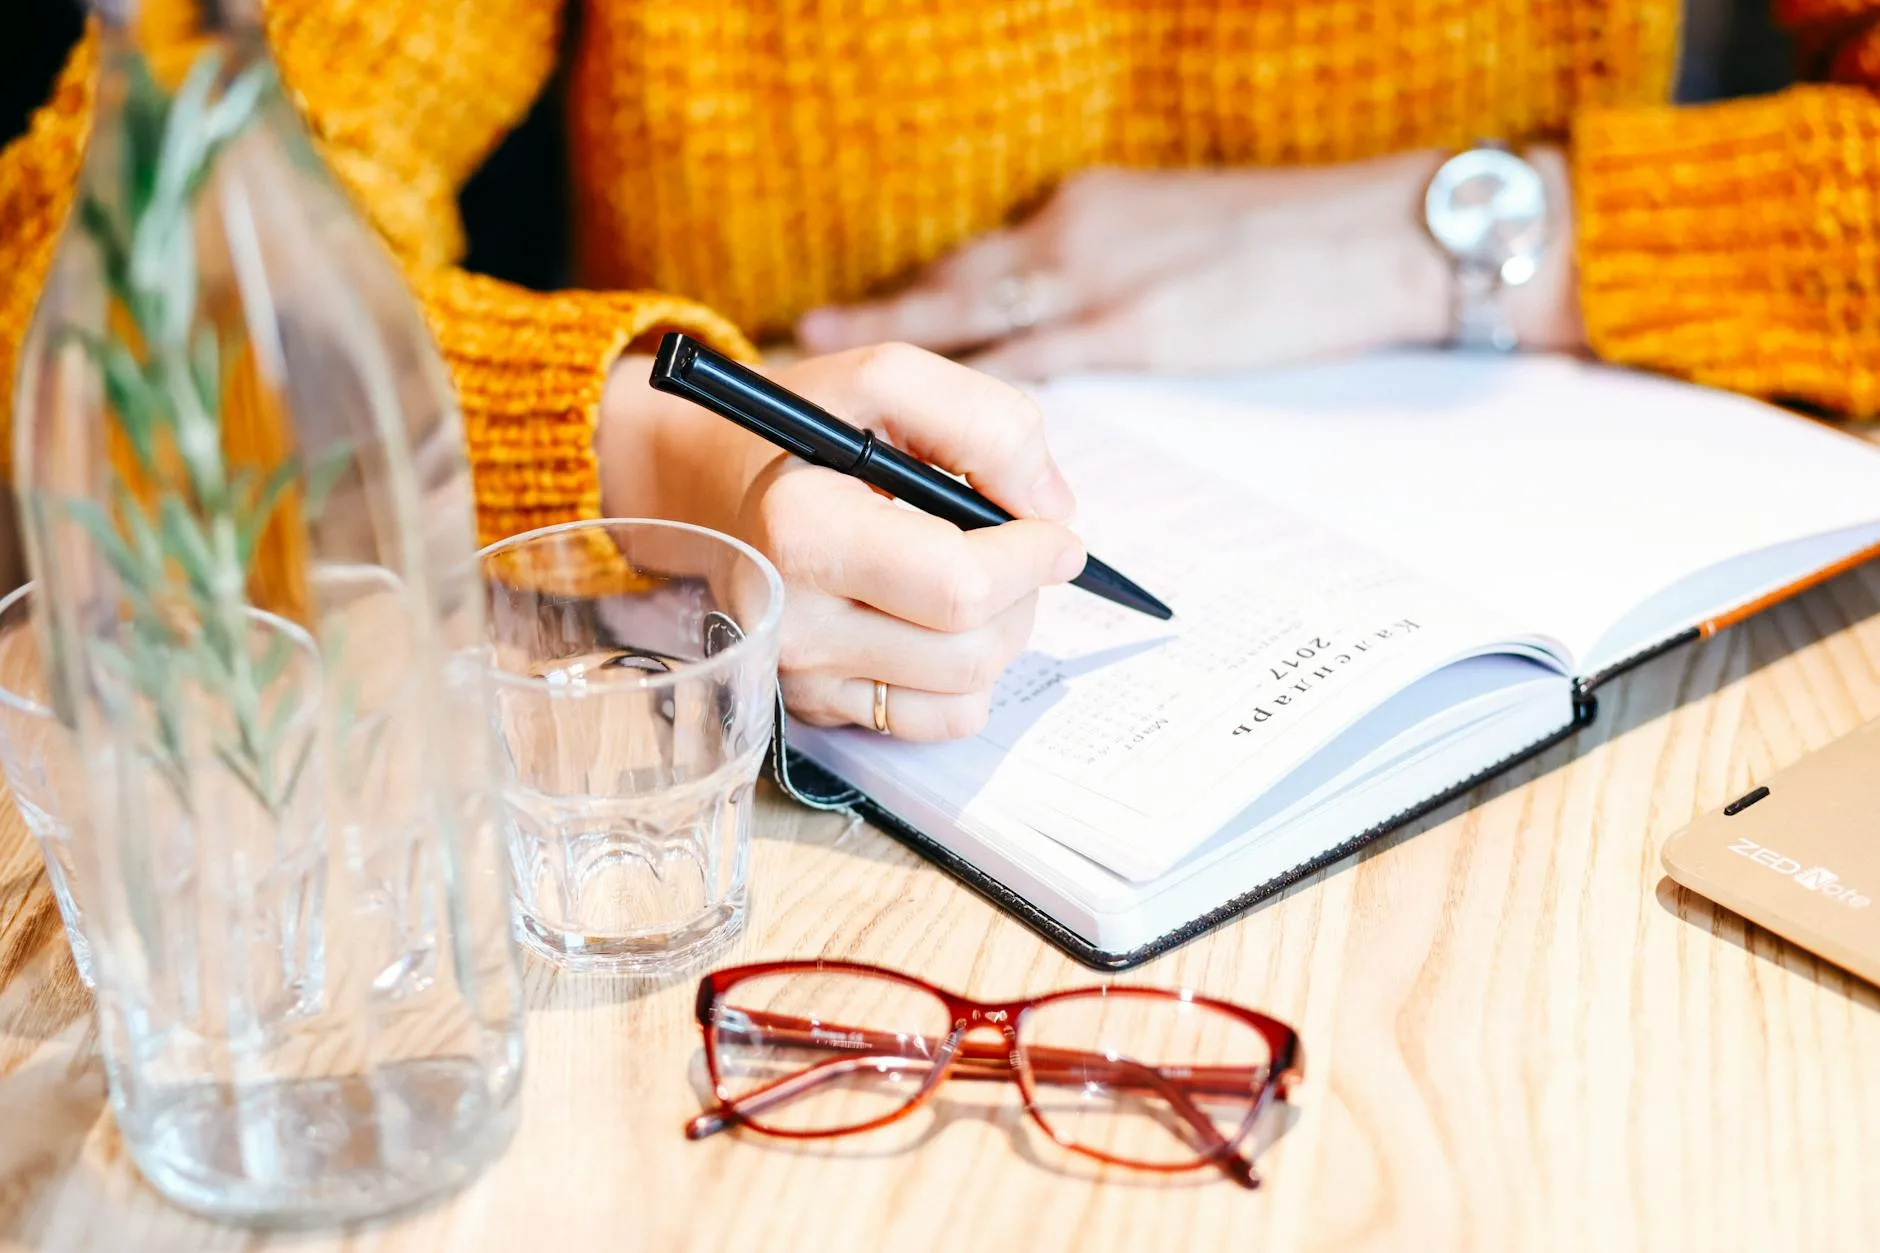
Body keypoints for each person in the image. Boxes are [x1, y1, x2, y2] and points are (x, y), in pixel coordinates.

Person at [2, 0, 1876, 742]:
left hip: (1664, 739)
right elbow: (112, 239)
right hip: (759, 826)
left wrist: (1458, 230)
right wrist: (652, 463)